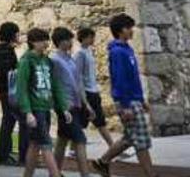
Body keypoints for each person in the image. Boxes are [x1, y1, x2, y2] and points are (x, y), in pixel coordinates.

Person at [92, 14, 156, 177]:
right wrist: (125, 105)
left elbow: (133, 78)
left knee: (130, 138)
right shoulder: (118, 52)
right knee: (141, 141)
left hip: (134, 100)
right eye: (129, 28)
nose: (132, 31)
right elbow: (120, 79)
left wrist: (141, 100)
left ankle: (102, 162)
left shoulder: (127, 49)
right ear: (121, 31)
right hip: (128, 102)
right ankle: (150, 174)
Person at [16, 28, 69, 177]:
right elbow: (22, 88)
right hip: (35, 109)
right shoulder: (26, 61)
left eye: (46, 40)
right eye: (42, 40)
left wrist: (63, 107)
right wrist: (27, 112)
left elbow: (56, 85)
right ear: (33, 42)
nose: (46, 43)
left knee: (35, 144)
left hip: (45, 107)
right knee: (46, 144)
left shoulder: (47, 62)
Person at [50, 27, 91, 177]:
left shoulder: (70, 59)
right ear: (60, 42)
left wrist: (86, 103)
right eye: (68, 39)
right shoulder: (55, 60)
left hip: (76, 104)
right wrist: (60, 105)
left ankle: (55, 172)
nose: (71, 42)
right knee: (80, 140)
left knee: (62, 139)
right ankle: (85, 174)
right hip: (65, 105)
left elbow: (78, 82)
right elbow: (54, 84)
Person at [0, 21, 27, 166]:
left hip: (3, 90)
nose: (18, 36)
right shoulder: (6, 50)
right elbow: (8, 72)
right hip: (8, 91)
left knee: (8, 121)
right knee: (19, 121)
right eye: (16, 34)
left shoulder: (1, 49)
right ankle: (21, 156)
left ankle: (4, 153)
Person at [73, 28, 114, 149]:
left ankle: (73, 148)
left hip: (93, 90)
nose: (93, 40)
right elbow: (78, 75)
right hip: (87, 92)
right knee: (96, 121)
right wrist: (82, 96)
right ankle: (112, 147)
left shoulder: (89, 51)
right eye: (91, 37)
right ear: (85, 38)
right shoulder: (80, 54)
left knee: (86, 122)